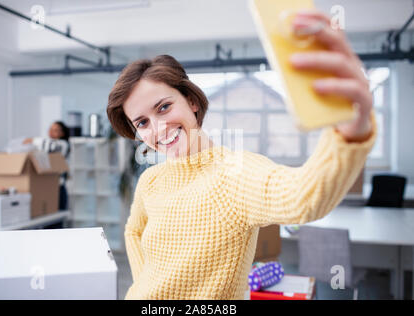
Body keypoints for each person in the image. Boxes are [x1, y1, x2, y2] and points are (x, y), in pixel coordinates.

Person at [106, 9, 377, 300]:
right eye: (142, 122)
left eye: (163, 107)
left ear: (192, 102)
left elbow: (305, 198)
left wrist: (349, 134)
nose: (158, 128)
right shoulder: (152, 179)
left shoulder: (233, 174)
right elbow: (133, 231)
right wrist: (144, 288)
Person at [23, 121, 71, 211]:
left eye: (56, 130)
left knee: (57, 219)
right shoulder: (45, 144)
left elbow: (52, 146)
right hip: (48, 187)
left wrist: (32, 140)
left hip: (58, 188)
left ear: (62, 133)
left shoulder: (63, 144)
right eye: (51, 129)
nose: (52, 132)